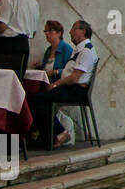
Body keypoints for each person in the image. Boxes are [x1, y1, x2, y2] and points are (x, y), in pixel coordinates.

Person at [36, 20, 97, 148]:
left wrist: (55, 84)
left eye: (74, 29)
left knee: (40, 100)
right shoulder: (78, 50)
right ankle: (48, 138)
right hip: (70, 88)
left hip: (76, 91)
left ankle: (60, 133)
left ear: (83, 31)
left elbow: (74, 78)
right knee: (38, 97)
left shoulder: (86, 51)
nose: (70, 32)